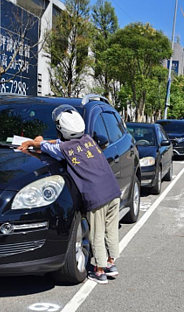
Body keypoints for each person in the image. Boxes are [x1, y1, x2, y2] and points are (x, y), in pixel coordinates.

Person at [18, 105, 121, 284]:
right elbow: (56, 144)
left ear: (61, 130)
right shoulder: (88, 140)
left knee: (96, 233)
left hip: (96, 197)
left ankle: (99, 270)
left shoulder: (63, 149)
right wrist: (42, 141)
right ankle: (111, 264)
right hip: (113, 191)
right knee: (110, 229)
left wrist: (33, 142)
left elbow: (46, 148)